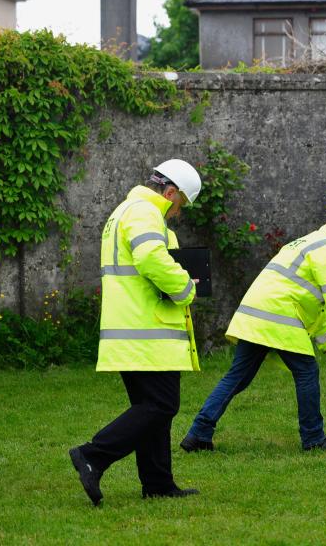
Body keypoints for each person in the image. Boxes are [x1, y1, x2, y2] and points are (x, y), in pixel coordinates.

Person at [180, 190, 326, 453]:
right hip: (279, 316)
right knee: (306, 372)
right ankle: (314, 438)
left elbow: (315, 301)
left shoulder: (308, 241)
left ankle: (198, 434)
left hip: (256, 314)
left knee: (237, 377)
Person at [69, 159, 203, 506]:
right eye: (181, 205)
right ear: (170, 192)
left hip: (133, 331)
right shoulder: (144, 212)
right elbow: (150, 259)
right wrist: (186, 288)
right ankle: (92, 455)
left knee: (150, 407)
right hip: (148, 330)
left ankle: (157, 483)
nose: (178, 213)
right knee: (161, 405)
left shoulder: (125, 211)